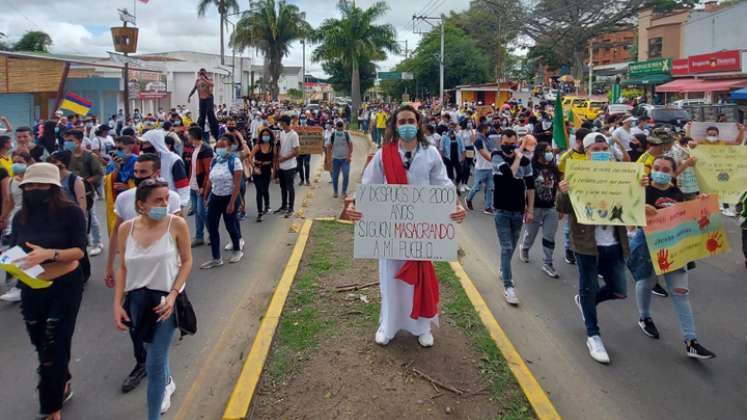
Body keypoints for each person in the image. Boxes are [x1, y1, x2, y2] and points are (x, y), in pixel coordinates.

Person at [343, 105, 466, 348]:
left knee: (418, 279)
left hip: (421, 231)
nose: (407, 125)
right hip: (390, 231)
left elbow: (443, 186)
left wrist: (456, 205)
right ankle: (387, 326)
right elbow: (369, 187)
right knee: (391, 280)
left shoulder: (430, 154)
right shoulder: (383, 154)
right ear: (394, 126)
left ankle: (421, 327)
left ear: (418, 123)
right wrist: (355, 206)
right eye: (402, 121)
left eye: (411, 120)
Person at [556, 132, 641, 364]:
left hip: (614, 243)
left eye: (604, 148)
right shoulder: (576, 175)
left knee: (619, 289)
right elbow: (562, 208)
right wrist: (564, 191)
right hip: (586, 244)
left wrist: (639, 184)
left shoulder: (622, 174)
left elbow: (635, 202)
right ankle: (593, 334)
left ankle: (586, 301)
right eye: (595, 149)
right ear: (586, 152)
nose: (601, 152)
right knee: (589, 285)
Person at [12, 163, 87, 420]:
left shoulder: (72, 213)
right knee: (39, 341)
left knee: (53, 347)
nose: (34, 190)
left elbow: (79, 251)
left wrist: (49, 255)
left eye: (40, 185)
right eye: (29, 186)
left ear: (53, 188)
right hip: (31, 285)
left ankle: (51, 409)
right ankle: (62, 379)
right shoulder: (19, 216)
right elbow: (15, 248)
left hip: (65, 285)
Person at [113, 178, 192, 419]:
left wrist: (173, 294)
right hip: (137, 302)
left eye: (167, 198)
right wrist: (117, 303)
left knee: (154, 362)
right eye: (158, 200)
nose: (165, 204)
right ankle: (167, 381)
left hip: (165, 302)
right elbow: (123, 267)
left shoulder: (176, 225)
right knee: (150, 349)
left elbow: (187, 261)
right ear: (141, 205)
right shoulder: (127, 229)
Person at [104, 153, 182, 393]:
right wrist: (110, 266)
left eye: (143, 174)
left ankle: (161, 371)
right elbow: (117, 233)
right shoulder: (126, 199)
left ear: (156, 174)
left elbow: (178, 239)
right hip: (134, 277)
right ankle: (142, 363)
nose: (137, 178)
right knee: (135, 324)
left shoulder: (171, 199)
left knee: (160, 326)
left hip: (163, 277)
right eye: (136, 173)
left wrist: (177, 282)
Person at [625, 155, 716, 359]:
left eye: (666, 170)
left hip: (674, 248)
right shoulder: (642, 190)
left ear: (673, 173)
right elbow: (628, 219)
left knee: (680, 292)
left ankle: (691, 341)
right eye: (657, 168)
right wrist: (640, 207)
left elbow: (688, 219)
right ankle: (644, 317)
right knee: (646, 283)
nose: (660, 172)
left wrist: (702, 205)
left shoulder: (678, 193)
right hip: (648, 248)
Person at [491, 129, 534, 305]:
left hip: (518, 211)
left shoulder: (526, 162)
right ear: (501, 142)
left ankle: (503, 268)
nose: (508, 145)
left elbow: (530, 187)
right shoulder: (496, 156)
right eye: (505, 142)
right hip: (501, 210)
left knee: (512, 245)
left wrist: (530, 209)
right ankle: (508, 287)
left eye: (512, 142)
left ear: (517, 142)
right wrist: (517, 156)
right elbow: (508, 176)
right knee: (507, 247)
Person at [201, 133, 244, 269]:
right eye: (218, 146)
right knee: (212, 227)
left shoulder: (234, 161)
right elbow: (210, 180)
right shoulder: (215, 161)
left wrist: (232, 203)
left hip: (229, 197)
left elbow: (237, 185)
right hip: (215, 196)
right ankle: (216, 258)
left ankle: (237, 250)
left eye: (223, 146)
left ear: (230, 148)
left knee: (230, 225)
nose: (220, 149)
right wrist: (207, 197)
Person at [518, 142, 560, 278]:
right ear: (539, 153)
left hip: (551, 208)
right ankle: (524, 248)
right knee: (531, 234)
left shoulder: (554, 168)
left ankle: (548, 263)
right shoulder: (531, 167)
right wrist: (526, 208)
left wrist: (560, 206)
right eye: (547, 151)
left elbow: (558, 188)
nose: (550, 153)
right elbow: (526, 188)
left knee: (549, 236)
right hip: (534, 207)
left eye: (550, 151)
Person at [66, 129, 105, 256]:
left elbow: (99, 174)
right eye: (66, 141)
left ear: (80, 141)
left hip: (87, 192)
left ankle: (97, 243)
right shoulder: (65, 156)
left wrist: (84, 182)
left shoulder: (90, 156)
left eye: (71, 141)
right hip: (67, 192)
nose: (68, 143)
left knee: (90, 217)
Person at [557, 127, 591, 265]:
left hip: (589, 195)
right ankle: (569, 250)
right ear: (578, 141)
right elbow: (560, 175)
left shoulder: (591, 155)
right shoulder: (567, 156)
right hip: (572, 195)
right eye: (585, 142)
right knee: (570, 224)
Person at [0, 151, 31, 302]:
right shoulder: (12, 181)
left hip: (30, 221)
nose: (16, 164)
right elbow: (10, 202)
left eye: (20, 161)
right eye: (14, 161)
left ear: (27, 162)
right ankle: (22, 284)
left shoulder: (32, 180)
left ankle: (21, 286)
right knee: (15, 253)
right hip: (15, 221)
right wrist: (4, 217)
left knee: (20, 253)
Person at [187, 127, 213, 247]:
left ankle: (213, 234)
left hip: (201, 186)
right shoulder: (194, 148)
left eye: (189, 135)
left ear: (193, 136)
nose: (187, 137)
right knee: (197, 212)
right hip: (193, 185)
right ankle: (199, 237)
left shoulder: (206, 149)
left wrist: (204, 186)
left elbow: (208, 171)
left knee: (202, 212)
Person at [465, 123, 496, 214]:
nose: (489, 130)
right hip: (481, 168)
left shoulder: (488, 140)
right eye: (487, 129)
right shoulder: (478, 141)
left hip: (490, 168)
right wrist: (495, 160)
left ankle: (487, 207)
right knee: (477, 187)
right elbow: (483, 153)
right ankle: (468, 199)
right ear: (483, 129)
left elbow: (493, 150)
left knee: (490, 188)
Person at [274, 115, 300, 218]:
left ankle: (291, 208)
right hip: (281, 165)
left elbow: (297, 151)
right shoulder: (281, 133)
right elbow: (280, 147)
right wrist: (278, 161)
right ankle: (283, 206)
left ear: (286, 123)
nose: (280, 124)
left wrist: (284, 158)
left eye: (281, 122)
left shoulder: (294, 135)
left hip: (290, 166)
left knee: (290, 187)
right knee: (283, 187)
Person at [188, 68, 219, 141]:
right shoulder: (197, 81)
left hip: (208, 97)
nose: (201, 74)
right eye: (200, 73)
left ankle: (214, 128)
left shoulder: (209, 79)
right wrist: (189, 96)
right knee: (202, 116)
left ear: (205, 73)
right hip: (202, 99)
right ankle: (200, 130)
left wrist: (204, 79)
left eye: (203, 73)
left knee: (209, 112)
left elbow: (212, 84)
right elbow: (194, 89)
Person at [252, 128, 275, 222]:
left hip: (267, 170)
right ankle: (259, 213)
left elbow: (274, 159)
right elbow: (250, 157)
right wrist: (254, 167)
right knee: (259, 191)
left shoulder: (272, 146)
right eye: (264, 135)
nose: (265, 136)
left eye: (267, 135)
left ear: (270, 136)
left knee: (265, 189)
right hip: (257, 171)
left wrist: (274, 172)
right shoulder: (258, 146)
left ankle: (267, 205)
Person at [325, 121, 353, 199]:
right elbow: (328, 147)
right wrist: (329, 158)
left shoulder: (347, 134)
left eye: (341, 129)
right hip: (335, 159)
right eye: (338, 129)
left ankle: (344, 191)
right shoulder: (333, 135)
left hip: (345, 159)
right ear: (336, 127)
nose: (340, 130)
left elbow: (351, 145)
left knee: (346, 174)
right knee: (335, 176)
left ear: (343, 127)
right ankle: (335, 191)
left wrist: (349, 156)